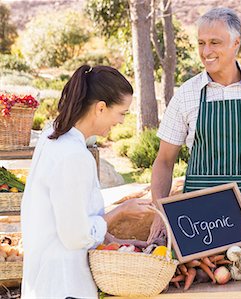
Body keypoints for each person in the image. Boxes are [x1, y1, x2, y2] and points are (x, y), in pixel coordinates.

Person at [20, 65, 152, 299]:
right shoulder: (74, 156)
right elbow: (74, 236)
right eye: (121, 113)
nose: (121, 122)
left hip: (45, 282)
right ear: (101, 107)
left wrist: (110, 238)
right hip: (64, 286)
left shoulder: (53, 137)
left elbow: (68, 216)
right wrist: (120, 213)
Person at [151, 7, 241, 206]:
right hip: (202, 218)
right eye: (201, 43)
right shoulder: (186, 93)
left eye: (214, 43)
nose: (206, 51)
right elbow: (164, 161)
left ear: (236, 43)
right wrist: (160, 210)